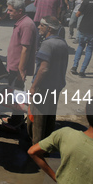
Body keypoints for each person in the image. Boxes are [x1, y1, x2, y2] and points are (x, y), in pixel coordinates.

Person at [27, 16, 68, 145]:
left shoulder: (47, 44)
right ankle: (49, 143)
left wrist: (33, 87)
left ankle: (37, 148)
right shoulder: (62, 42)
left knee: (37, 119)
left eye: (42, 25)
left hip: (43, 87)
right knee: (50, 116)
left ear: (49, 28)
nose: (39, 27)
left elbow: (43, 69)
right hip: (56, 86)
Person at [1, 0, 37, 131]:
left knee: (18, 95)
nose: (8, 12)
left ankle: (16, 122)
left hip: (17, 68)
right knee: (15, 93)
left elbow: (25, 49)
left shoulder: (26, 25)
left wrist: (21, 69)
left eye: (10, 10)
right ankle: (15, 119)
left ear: (20, 11)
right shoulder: (21, 22)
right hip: (14, 66)